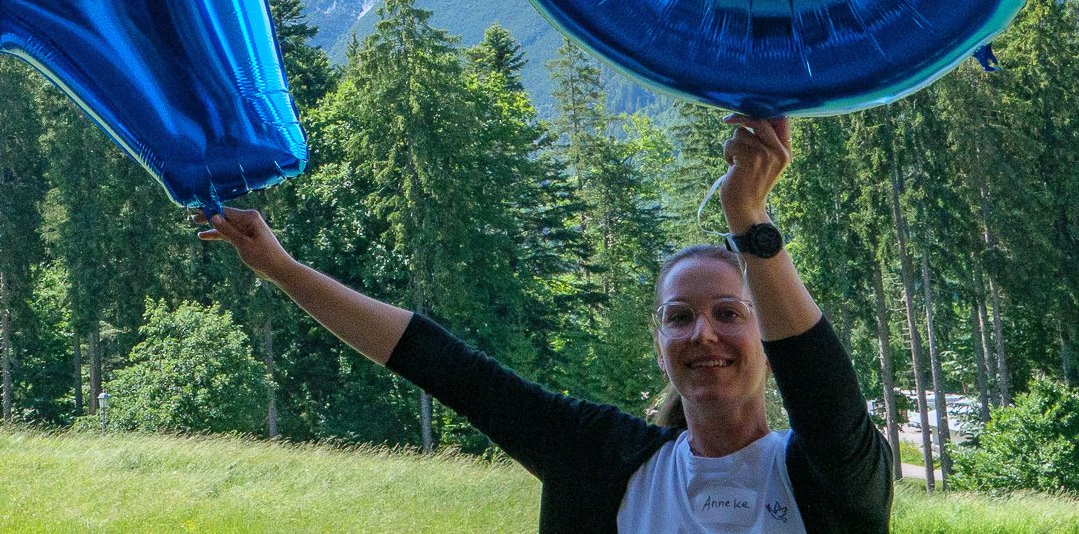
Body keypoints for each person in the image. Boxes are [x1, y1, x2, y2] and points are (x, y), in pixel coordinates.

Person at [198, 113, 893, 533]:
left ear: (764, 339)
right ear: (659, 346)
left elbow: (824, 386)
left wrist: (749, 217)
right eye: (679, 317)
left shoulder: (829, 477)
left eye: (728, 313)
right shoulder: (605, 460)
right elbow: (442, 364)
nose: (703, 333)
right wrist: (285, 269)